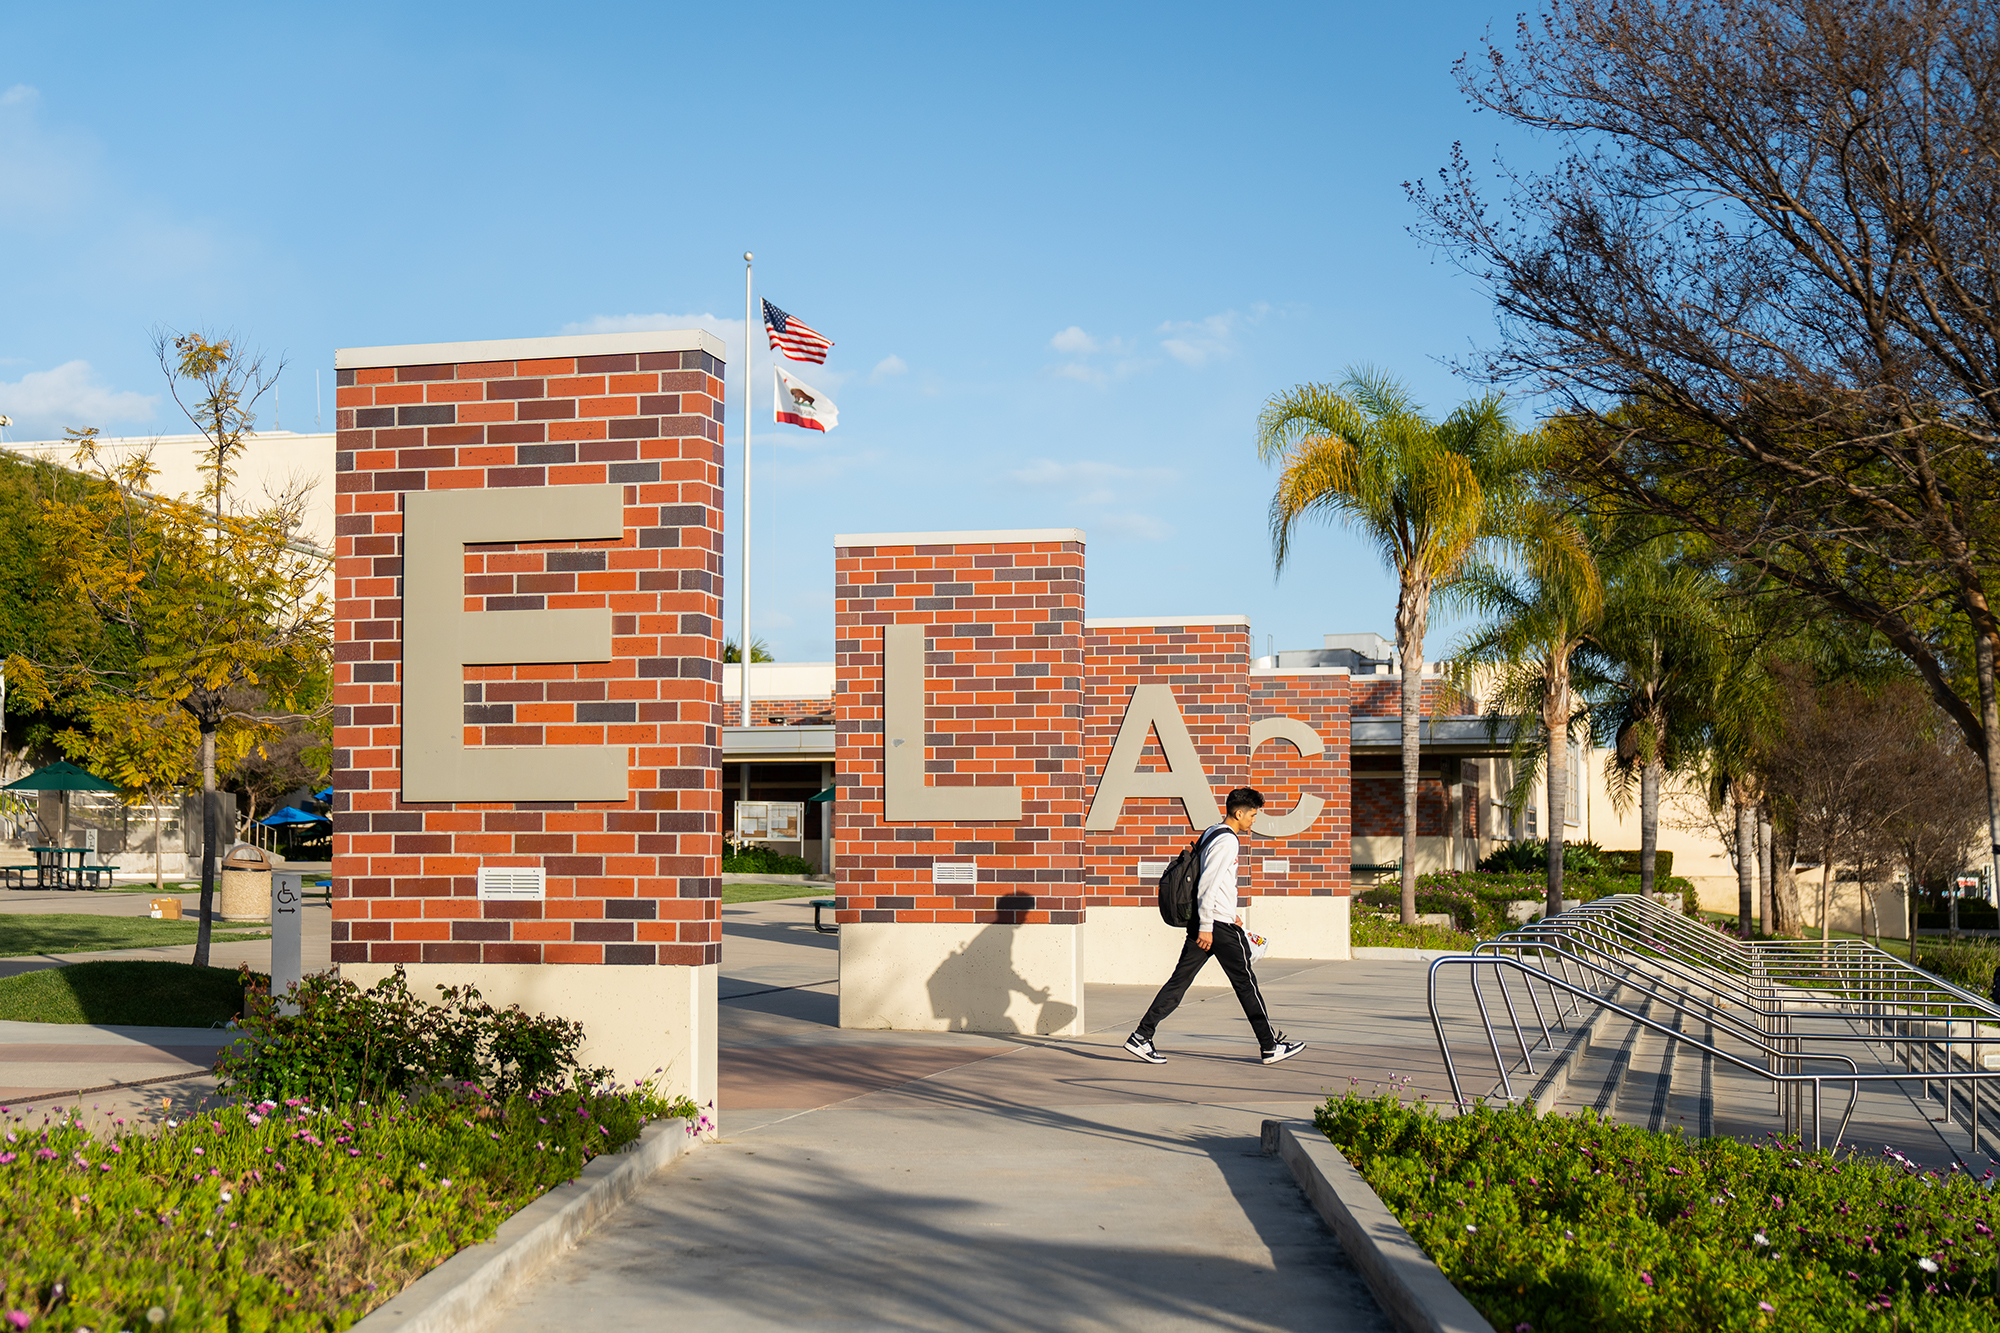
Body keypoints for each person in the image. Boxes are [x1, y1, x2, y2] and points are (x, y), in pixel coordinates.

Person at [1124, 787, 1306, 1066]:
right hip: (1214, 926)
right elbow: (1208, 884)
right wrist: (1209, 926)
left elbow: (1213, 884)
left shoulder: (1212, 831)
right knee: (1246, 983)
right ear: (1239, 813)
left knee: (1180, 981)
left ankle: (1141, 1036)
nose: (1254, 820)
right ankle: (1269, 1046)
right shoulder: (1228, 841)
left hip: (1212, 920)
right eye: (1253, 815)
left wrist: (1228, 914)